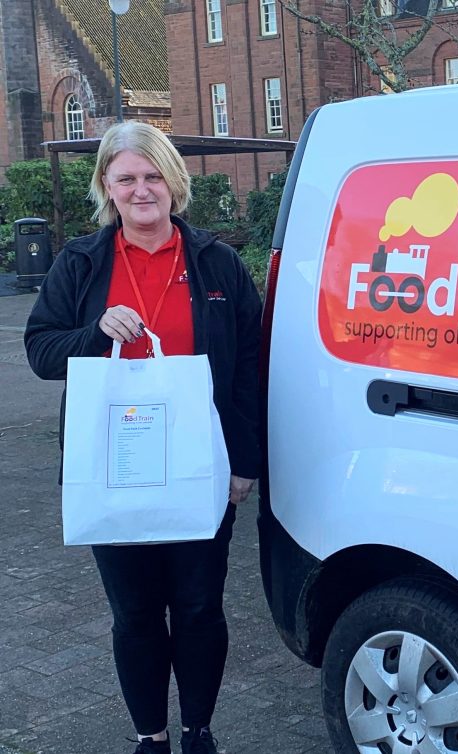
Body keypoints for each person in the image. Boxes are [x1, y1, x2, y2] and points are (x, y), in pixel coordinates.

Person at [24, 121, 262, 754]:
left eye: (153, 175)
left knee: (198, 611)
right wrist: (97, 332)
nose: (141, 189)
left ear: (174, 181)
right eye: (126, 177)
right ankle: (150, 738)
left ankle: (197, 733)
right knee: (134, 615)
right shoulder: (82, 262)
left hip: (199, 464)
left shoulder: (216, 263)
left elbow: (250, 367)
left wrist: (244, 461)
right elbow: (41, 350)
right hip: (114, 466)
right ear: (107, 184)